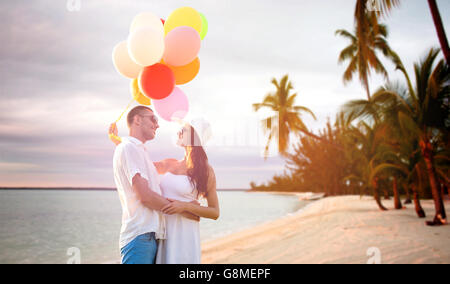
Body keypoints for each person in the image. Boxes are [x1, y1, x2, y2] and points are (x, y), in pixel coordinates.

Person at [109, 116, 220, 264]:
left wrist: (185, 206)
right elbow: (138, 161)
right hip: (161, 232)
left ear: (195, 138)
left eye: (184, 130)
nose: (179, 132)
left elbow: (214, 212)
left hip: (185, 233)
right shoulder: (169, 163)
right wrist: (119, 142)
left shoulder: (206, 170)